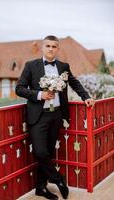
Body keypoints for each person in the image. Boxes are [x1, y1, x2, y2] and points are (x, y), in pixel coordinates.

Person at [15, 35, 95, 200]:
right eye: (48, 46)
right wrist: (40, 94)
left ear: (58, 49)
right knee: (40, 151)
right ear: (43, 48)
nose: (51, 49)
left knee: (49, 152)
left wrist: (85, 96)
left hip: (57, 114)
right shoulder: (31, 66)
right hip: (38, 115)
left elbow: (74, 83)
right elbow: (19, 89)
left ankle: (40, 188)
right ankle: (58, 179)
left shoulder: (64, 66)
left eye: (54, 46)